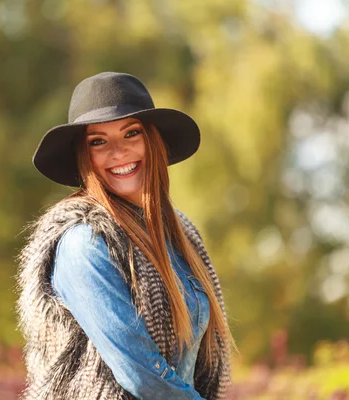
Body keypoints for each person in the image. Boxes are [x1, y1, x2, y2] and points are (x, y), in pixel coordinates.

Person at [16, 72, 236, 400]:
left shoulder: (180, 237)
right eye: (98, 141)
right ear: (83, 155)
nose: (118, 152)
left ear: (152, 141)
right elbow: (142, 374)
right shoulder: (84, 242)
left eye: (130, 133)